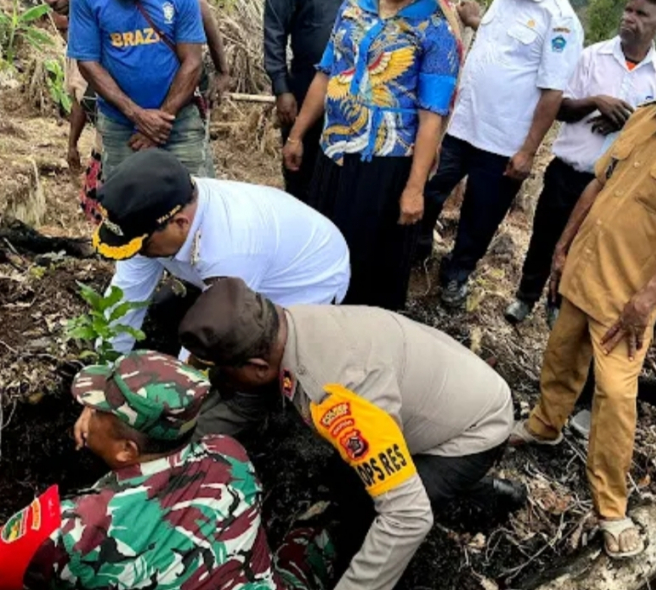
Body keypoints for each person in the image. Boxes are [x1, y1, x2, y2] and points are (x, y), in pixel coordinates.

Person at [509, 13, 656, 558]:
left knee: (616, 396)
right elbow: (599, 185)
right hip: (586, 269)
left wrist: (646, 301)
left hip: (628, 299)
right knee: (561, 353)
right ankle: (545, 425)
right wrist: (563, 248)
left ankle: (610, 506)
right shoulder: (648, 115)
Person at [177, 277, 518, 590]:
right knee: (349, 480)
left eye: (224, 373)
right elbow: (241, 403)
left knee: (367, 514)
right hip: (439, 389)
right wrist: (176, 454)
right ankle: (472, 489)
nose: (222, 382)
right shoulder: (282, 325)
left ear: (258, 368)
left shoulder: (341, 396)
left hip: (473, 429)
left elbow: (407, 517)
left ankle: (484, 495)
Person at [1, 350, 335, 590]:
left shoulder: (72, 531)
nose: (86, 410)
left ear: (126, 450)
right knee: (308, 543)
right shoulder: (230, 455)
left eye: (97, 409)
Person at [282, 0, 461, 311]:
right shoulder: (352, 8)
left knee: (365, 258)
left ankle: (358, 334)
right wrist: (297, 135)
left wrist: (415, 189)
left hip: (383, 167)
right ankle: (314, 317)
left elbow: (431, 117)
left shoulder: (435, 30)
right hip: (333, 153)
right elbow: (326, 75)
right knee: (323, 241)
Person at [90, 149, 350, 357]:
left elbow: (213, 337)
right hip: (259, 260)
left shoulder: (231, 249)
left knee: (253, 365)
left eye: (143, 247)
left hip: (308, 281)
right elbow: (126, 293)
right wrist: (104, 371)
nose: (140, 254)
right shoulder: (147, 219)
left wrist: (174, 401)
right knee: (167, 311)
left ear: (180, 223)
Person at [504, 0, 656, 324]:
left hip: (612, 186)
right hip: (569, 172)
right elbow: (561, 108)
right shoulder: (591, 56)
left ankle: (558, 305)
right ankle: (525, 296)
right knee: (545, 237)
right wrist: (595, 103)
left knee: (583, 249)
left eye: (640, 14)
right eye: (628, 10)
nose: (629, 18)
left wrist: (628, 122)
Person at [417, 0, 584, 308]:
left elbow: (553, 92)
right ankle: (418, 249)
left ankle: (457, 273)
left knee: (481, 216)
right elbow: (508, 47)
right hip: (461, 126)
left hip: (505, 142)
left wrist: (528, 151)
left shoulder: (561, 20)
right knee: (428, 190)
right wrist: (477, 21)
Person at [67, 0, 211, 178]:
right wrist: (137, 115)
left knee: (196, 194)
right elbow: (87, 62)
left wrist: (159, 123)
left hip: (179, 122)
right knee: (125, 199)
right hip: (120, 125)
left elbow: (192, 62)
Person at [264, 0, 343, 201]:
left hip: (354, 93)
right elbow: (274, 33)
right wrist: (281, 88)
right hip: (305, 85)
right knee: (300, 169)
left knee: (342, 176)